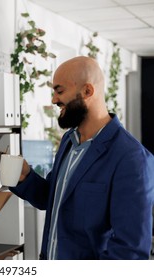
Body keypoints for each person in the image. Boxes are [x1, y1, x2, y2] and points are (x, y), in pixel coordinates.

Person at [11, 56, 154, 260]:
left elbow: (130, 252)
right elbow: (54, 199)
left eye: (59, 91)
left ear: (87, 91)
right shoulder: (69, 140)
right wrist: (25, 176)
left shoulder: (132, 158)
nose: (53, 100)